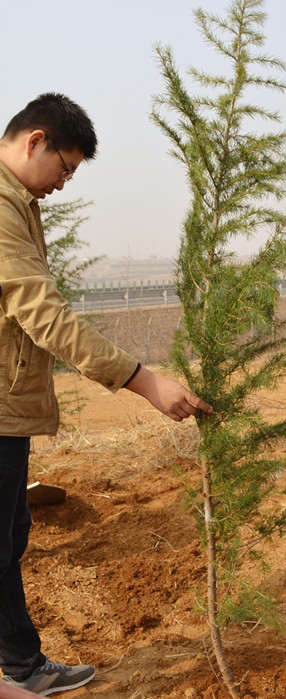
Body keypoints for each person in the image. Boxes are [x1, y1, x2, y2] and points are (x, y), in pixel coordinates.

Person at [0, 94, 212, 695]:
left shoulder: (18, 201)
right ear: (35, 140)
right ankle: (19, 670)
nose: (64, 185)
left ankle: (20, 664)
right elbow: (45, 316)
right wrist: (143, 380)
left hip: (6, 408)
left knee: (10, 537)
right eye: (64, 168)